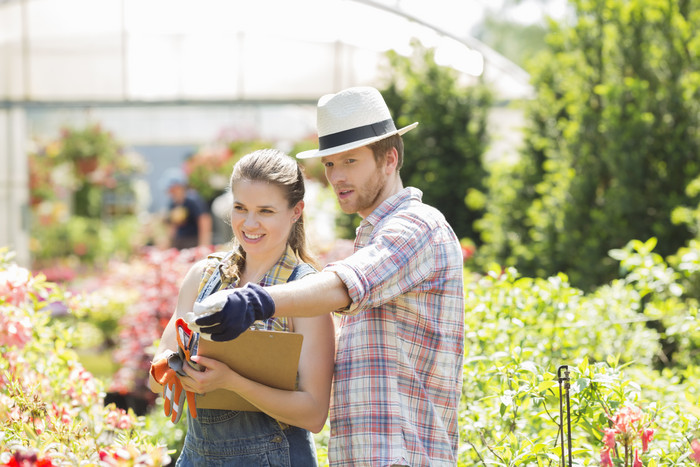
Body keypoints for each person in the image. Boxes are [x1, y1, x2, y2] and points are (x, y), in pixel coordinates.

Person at [190, 87, 465, 466]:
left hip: (405, 455)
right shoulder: (374, 235)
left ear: (390, 159)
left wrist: (257, 301)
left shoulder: (417, 226)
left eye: (350, 161)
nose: (337, 176)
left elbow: (345, 283)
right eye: (331, 163)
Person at [149, 149, 335, 466]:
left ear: (295, 211)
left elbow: (314, 413)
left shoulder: (307, 292)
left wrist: (230, 381)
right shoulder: (202, 276)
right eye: (240, 208)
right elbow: (155, 378)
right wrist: (173, 369)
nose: (249, 223)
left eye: (265, 211)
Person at [163, 168, 213, 249]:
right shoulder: (173, 204)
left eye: (172, 189)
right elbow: (173, 227)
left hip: (193, 242)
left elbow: (204, 220)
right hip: (179, 243)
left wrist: (203, 245)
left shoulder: (192, 200)